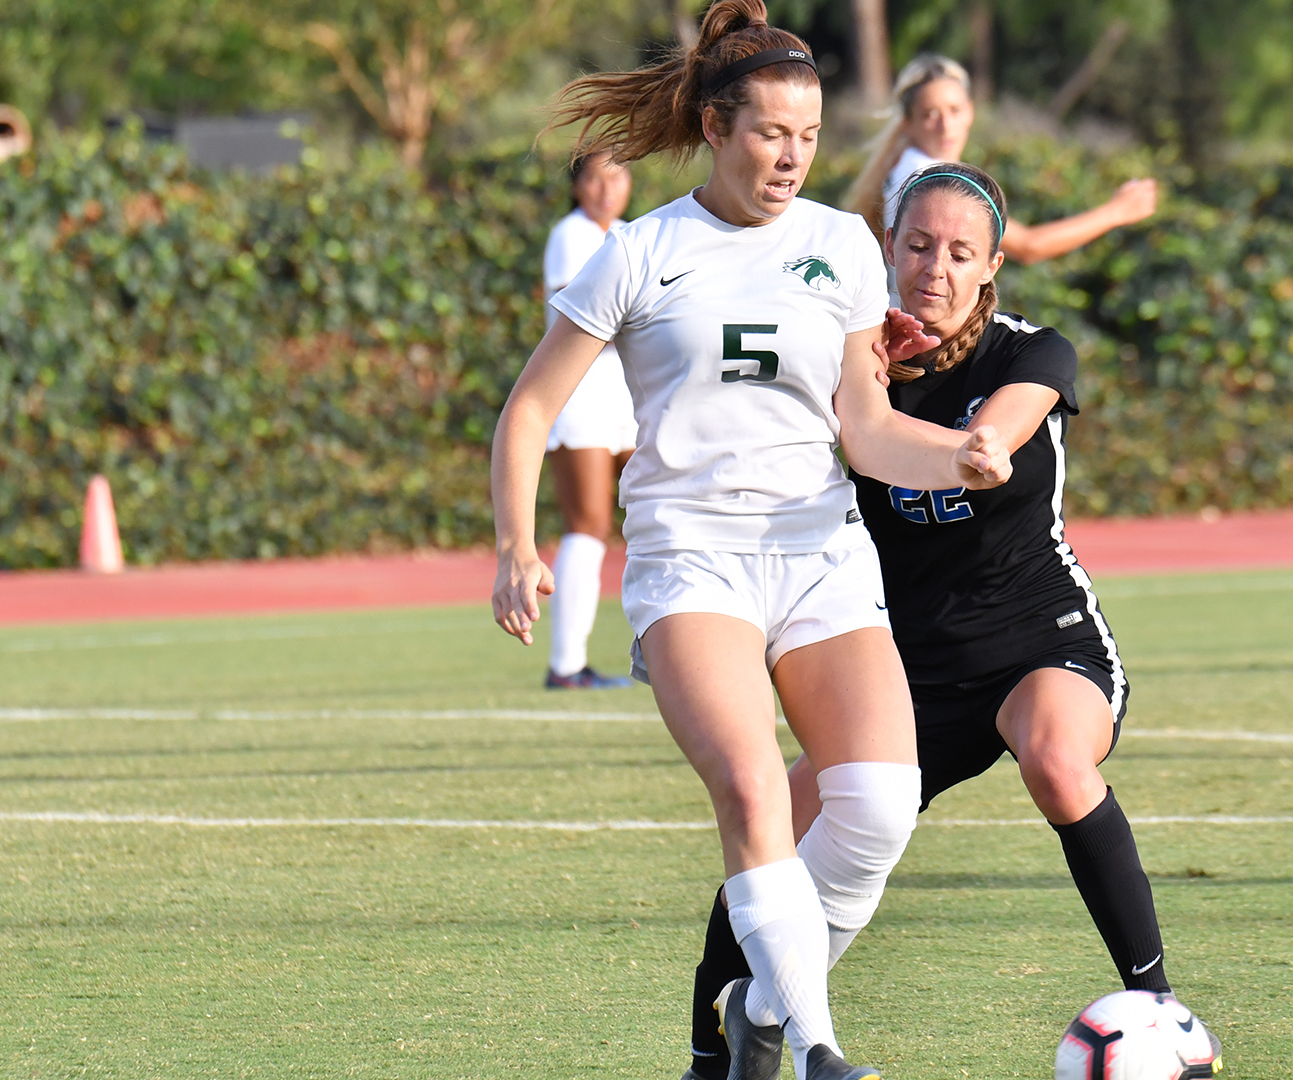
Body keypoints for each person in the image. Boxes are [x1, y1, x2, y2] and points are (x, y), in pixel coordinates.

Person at [489, 4, 1014, 1079]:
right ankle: (816, 1046)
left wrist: (957, 454)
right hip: (692, 560)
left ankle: (761, 1001)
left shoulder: (838, 247)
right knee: (753, 789)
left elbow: (865, 430)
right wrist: (515, 543)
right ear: (719, 128)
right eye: (771, 133)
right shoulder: (641, 253)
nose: (791, 157)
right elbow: (528, 411)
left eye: (810, 137)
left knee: (875, 804)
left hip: (820, 553)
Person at [681, 163, 1207, 1080]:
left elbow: (1001, 430)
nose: (936, 267)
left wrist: (977, 445)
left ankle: (1157, 1003)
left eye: (961, 252)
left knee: (1053, 754)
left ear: (993, 263)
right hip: (908, 665)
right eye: (918, 244)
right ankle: (715, 1044)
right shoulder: (846, 370)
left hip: (1042, 635)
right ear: (887, 248)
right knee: (780, 816)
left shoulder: (1032, 352)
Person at [842, 54, 1158, 261]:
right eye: (929, 114)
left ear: (970, 112)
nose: (945, 125)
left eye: (954, 110)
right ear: (908, 124)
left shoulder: (909, 167)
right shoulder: (931, 178)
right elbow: (1030, 246)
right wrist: (1117, 212)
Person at [541, 152, 639, 689]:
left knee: (658, 507)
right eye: (595, 177)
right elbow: (574, 311)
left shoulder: (631, 234)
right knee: (589, 524)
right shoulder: (570, 234)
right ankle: (566, 666)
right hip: (578, 395)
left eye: (618, 175)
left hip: (627, 397)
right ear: (578, 185)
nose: (607, 188)